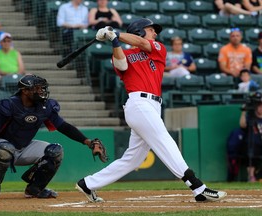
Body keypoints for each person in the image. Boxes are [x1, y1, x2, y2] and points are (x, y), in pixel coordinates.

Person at [75, 18, 227, 203]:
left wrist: (115, 34)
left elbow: (140, 42)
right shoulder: (123, 52)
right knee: (164, 140)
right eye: (151, 29)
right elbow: (122, 64)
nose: (155, 33)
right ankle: (197, 187)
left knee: (133, 159)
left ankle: (88, 184)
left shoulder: (158, 48)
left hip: (152, 106)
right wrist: (114, 41)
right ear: (139, 30)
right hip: (138, 104)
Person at [0, 74, 105, 200]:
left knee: (56, 151)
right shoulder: (9, 104)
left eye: (42, 88)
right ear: (25, 91)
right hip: (0, 147)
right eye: (37, 88)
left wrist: (88, 142)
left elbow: (64, 127)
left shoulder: (45, 106)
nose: (41, 91)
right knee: (5, 150)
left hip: (24, 147)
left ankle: (35, 188)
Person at [240, 91, 262, 182]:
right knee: (250, 147)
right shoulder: (250, 116)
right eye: (260, 106)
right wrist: (244, 112)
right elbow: (242, 125)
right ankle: (251, 176)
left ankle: (258, 176)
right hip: (253, 144)